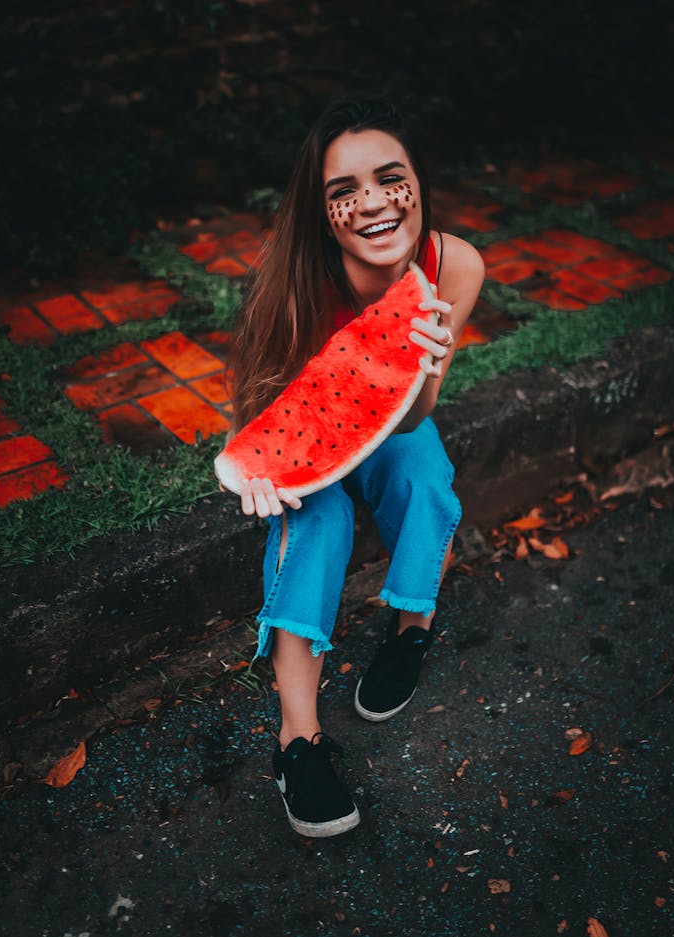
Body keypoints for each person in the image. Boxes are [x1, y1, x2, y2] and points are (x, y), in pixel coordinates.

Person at [217, 97, 485, 837]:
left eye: (389, 178)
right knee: (318, 518)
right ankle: (296, 740)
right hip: (306, 430)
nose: (371, 202)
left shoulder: (453, 265)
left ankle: (411, 625)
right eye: (344, 191)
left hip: (401, 415)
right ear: (323, 210)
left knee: (423, 479)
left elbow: (416, 409)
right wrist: (266, 468)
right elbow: (266, 403)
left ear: (418, 185)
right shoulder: (296, 276)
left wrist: (430, 359)